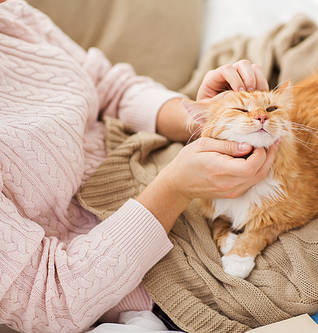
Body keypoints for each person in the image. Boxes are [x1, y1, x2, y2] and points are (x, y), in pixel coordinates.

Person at [0, 1, 278, 332]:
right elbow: (50, 302)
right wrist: (174, 190)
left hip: (155, 157)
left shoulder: (11, 16)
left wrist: (203, 115)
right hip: (150, 274)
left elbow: (110, 87)